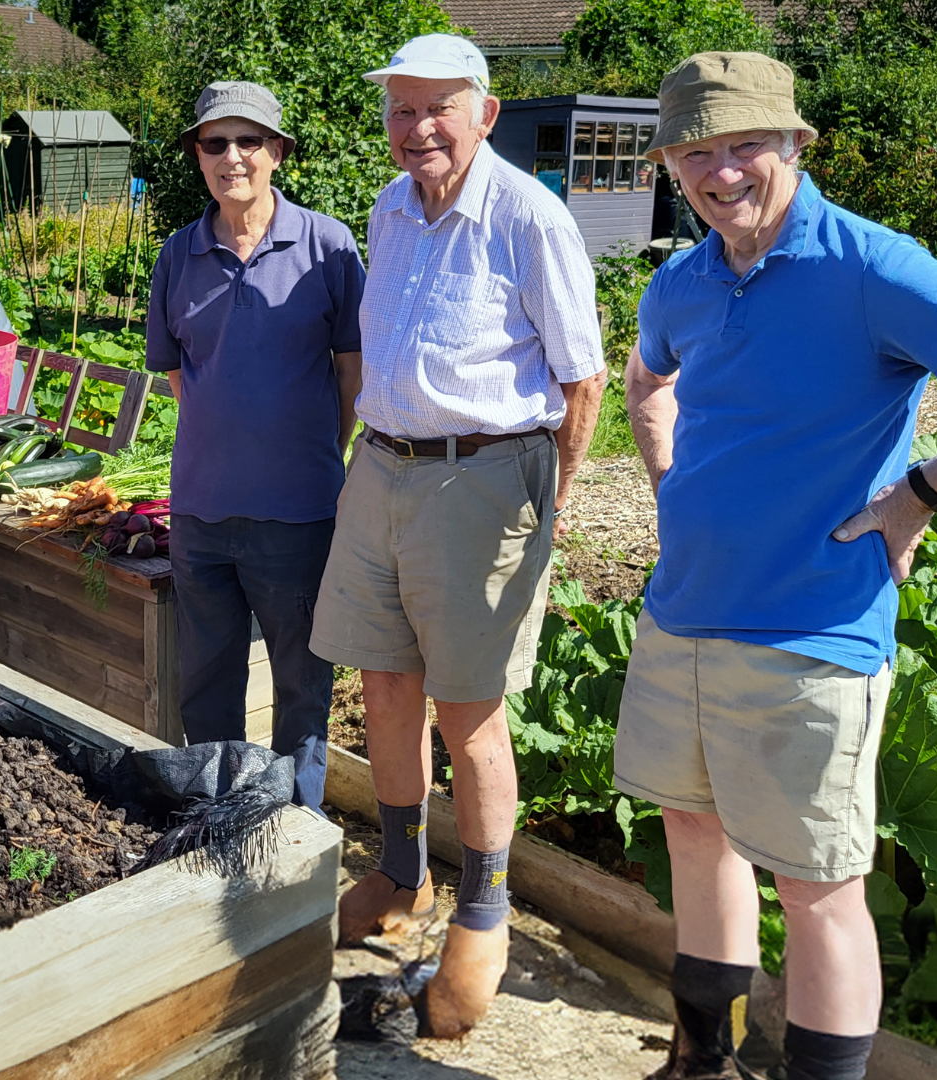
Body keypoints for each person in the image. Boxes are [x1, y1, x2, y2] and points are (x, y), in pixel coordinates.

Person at [618, 51, 937, 1080]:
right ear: (673, 167)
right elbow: (646, 380)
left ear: (793, 144)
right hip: (684, 614)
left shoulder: (871, 268)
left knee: (817, 884)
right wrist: (671, 484)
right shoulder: (684, 279)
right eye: (696, 154)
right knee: (693, 833)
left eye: (744, 147)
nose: (721, 173)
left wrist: (922, 492)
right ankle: (702, 1062)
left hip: (810, 631)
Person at [309, 33, 606, 1036]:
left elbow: (583, 377)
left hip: (483, 476)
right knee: (383, 682)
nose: (417, 127)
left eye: (439, 106)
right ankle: (400, 872)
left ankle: (484, 907)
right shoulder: (391, 207)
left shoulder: (529, 215)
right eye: (400, 109)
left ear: (485, 110)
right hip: (383, 466)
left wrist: (547, 504)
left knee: (468, 711)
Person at [145, 82, 365, 810]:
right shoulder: (178, 255)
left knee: (302, 689)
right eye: (215, 143)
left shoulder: (328, 247)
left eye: (249, 141)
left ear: (277, 153)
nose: (232, 157)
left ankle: (295, 833)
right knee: (206, 686)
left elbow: (350, 372)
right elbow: (183, 376)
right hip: (201, 517)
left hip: (297, 516)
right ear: (197, 158)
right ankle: (214, 823)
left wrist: (303, 457)